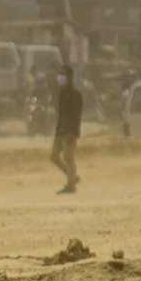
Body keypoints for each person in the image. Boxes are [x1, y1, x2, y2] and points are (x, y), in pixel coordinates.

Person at [50, 65, 83, 194]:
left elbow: (76, 115)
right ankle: (73, 176)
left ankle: (71, 185)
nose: (59, 77)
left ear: (69, 77)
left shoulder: (75, 94)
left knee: (69, 157)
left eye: (62, 74)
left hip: (69, 132)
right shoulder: (62, 93)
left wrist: (73, 132)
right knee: (54, 156)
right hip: (60, 131)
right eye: (59, 74)